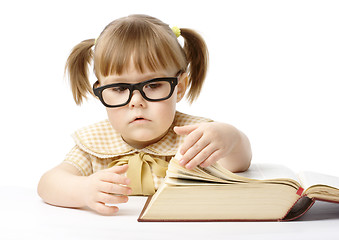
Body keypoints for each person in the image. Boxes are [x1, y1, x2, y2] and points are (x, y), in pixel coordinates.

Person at [37, 14, 252, 215]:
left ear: (179, 86)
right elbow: (48, 183)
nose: (136, 102)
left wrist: (231, 138)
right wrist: (82, 190)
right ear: (100, 92)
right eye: (120, 89)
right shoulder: (96, 144)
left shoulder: (194, 138)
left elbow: (239, 163)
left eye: (153, 85)